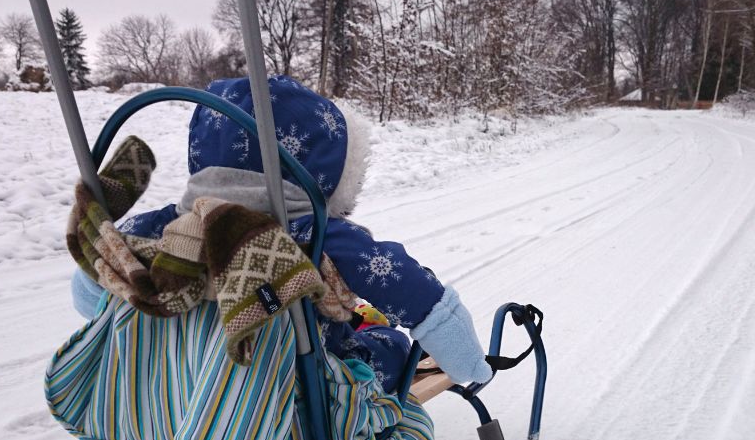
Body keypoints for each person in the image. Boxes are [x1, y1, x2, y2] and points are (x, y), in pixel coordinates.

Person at [72, 75, 492, 395]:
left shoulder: (167, 226)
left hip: (179, 394)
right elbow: (412, 290)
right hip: (287, 400)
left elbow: (92, 288)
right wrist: (470, 364)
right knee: (389, 347)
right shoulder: (313, 232)